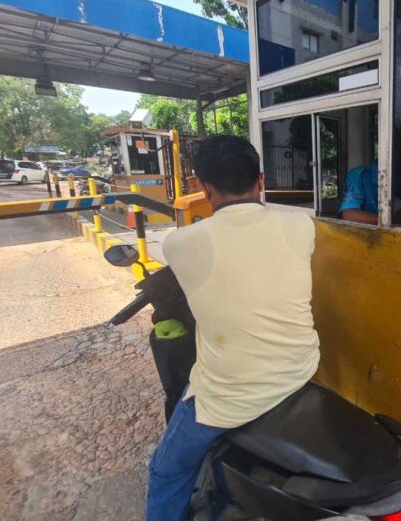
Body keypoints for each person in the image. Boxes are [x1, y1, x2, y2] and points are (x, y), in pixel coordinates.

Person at [146, 136, 320, 521]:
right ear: (261, 179)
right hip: (299, 371)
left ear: (202, 186)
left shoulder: (182, 243)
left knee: (164, 471)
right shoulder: (301, 224)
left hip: (230, 396)